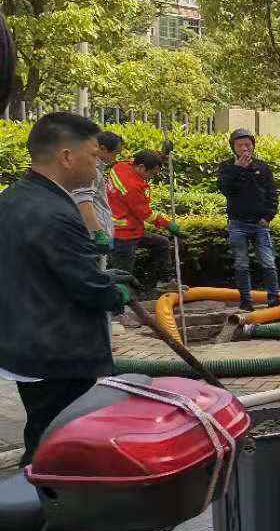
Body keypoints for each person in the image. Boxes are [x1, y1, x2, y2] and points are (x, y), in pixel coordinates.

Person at [0, 113, 130, 464]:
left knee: (43, 431)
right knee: (62, 445)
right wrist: (114, 294)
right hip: (60, 354)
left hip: (25, 346)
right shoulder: (56, 212)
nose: (98, 165)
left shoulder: (12, 197)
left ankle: (41, 502)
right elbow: (86, 284)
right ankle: (52, 512)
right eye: (93, 156)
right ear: (66, 157)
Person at [217, 128, 280, 311]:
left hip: (260, 224)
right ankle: (246, 300)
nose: (244, 148)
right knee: (241, 263)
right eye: (240, 145)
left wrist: (268, 217)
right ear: (233, 148)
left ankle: (274, 299)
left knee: (268, 262)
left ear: (253, 145)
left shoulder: (262, 167)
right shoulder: (227, 167)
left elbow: (272, 194)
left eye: (248, 144)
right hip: (237, 223)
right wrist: (239, 170)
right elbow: (225, 189)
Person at [109, 150, 181, 294]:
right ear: (141, 167)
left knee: (162, 244)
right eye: (152, 174)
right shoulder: (132, 186)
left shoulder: (120, 167)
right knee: (123, 275)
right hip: (123, 234)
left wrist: (162, 154)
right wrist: (168, 224)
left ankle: (159, 283)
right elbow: (146, 214)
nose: (151, 178)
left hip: (132, 229)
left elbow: (144, 157)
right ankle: (121, 306)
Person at [71, 130, 124, 263]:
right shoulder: (90, 171)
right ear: (102, 149)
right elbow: (83, 202)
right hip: (91, 240)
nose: (115, 158)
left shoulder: (95, 170)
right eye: (115, 153)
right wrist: (98, 233)